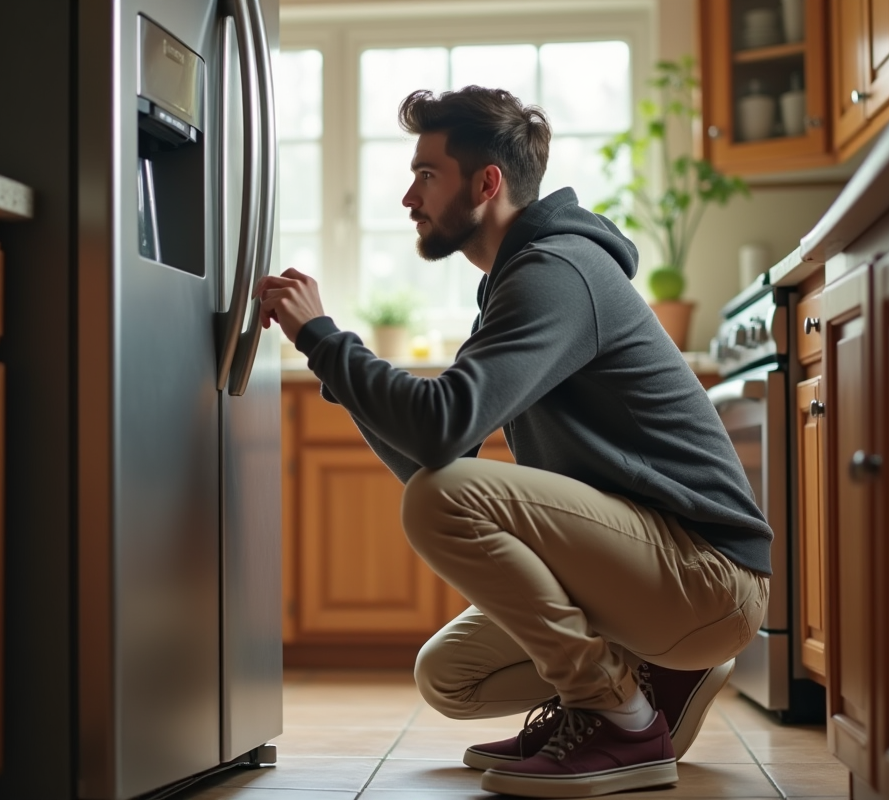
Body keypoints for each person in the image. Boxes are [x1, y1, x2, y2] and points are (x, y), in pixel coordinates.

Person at [254, 85, 771, 799]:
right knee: (451, 678)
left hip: (707, 575)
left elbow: (442, 444)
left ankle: (618, 718)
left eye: (426, 174)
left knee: (442, 499)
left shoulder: (556, 270)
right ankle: (655, 680)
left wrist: (325, 339)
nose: (410, 197)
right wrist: (332, 363)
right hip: (653, 574)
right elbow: (438, 456)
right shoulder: (514, 281)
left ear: (486, 182)